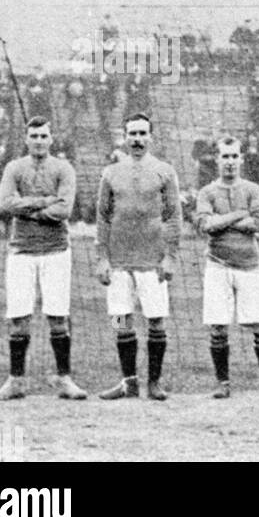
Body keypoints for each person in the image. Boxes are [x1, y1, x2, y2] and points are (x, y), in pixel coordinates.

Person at [0, 117, 87, 401]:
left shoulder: (63, 168)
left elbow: (64, 209)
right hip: (21, 250)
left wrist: (27, 207)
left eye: (44, 136)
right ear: (26, 138)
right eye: (34, 136)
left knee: (58, 317)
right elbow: (3, 203)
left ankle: (64, 378)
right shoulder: (14, 167)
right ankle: (16, 381)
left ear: (51, 139)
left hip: (56, 250)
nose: (39, 140)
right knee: (18, 317)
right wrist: (44, 201)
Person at [94, 113, 182, 401]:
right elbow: (103, 218)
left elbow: (173, 216)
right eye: (132, 134)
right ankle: (128, 381)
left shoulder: (165, 171)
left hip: (152, 261)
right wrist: (102, 258)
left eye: (143, 134)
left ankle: (154, 383)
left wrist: (170, 256)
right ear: (124, 137)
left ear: (151, 138)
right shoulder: (111, 173)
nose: (137, 139)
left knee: (156, 320)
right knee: (121, 319)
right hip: (119, 261)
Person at [195, 136, 259, 400]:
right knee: (218, 326)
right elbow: (205, 225)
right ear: (217, 159)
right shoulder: (207, 192)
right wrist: (238, 214)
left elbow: (258, 223)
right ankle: (223, 384)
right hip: (217, 265)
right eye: (225, 156)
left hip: (249, 265)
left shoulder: (252, 189)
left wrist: (221, 220)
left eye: (234, 156)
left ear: (241, 159)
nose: (230, 162)